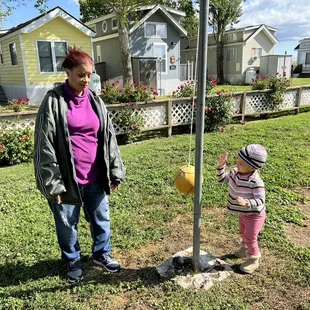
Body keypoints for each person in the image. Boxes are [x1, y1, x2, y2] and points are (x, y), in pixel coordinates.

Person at [34, 46, 125, 284]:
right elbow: (45, 145)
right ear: (67, 71)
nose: (86, 80)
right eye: (80, 75)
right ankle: (73, 261)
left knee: (101, 218)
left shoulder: (96, 100)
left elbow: (108, 137)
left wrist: (115, 170)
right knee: (67, 224)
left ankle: (101, 255)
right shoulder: (53, 102)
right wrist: (53, 183)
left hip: (95, 176)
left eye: (90, 75)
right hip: (67, 180)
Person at [216, 144, 267, 274]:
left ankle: (254, 259)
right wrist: (221, 166)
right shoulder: (235, 172)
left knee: (250, 237)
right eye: (238, 161)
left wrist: (247, 202)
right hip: (244, 213)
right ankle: (244, 249)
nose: (237, 164)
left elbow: (261, 200)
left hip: (255, 215)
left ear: (252, 167)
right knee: (242, 231)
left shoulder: (256, 182)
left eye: (242, 164)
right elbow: (222, 179)